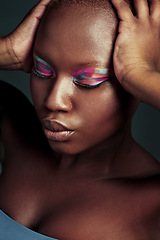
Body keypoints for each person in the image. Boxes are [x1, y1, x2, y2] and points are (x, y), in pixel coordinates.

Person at [0, 0, 160, 239]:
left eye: (87, 80)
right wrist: (6, 51)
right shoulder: (12, 127)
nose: (54, 101)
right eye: (42, 70)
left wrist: (141, 72)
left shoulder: (154, 202)